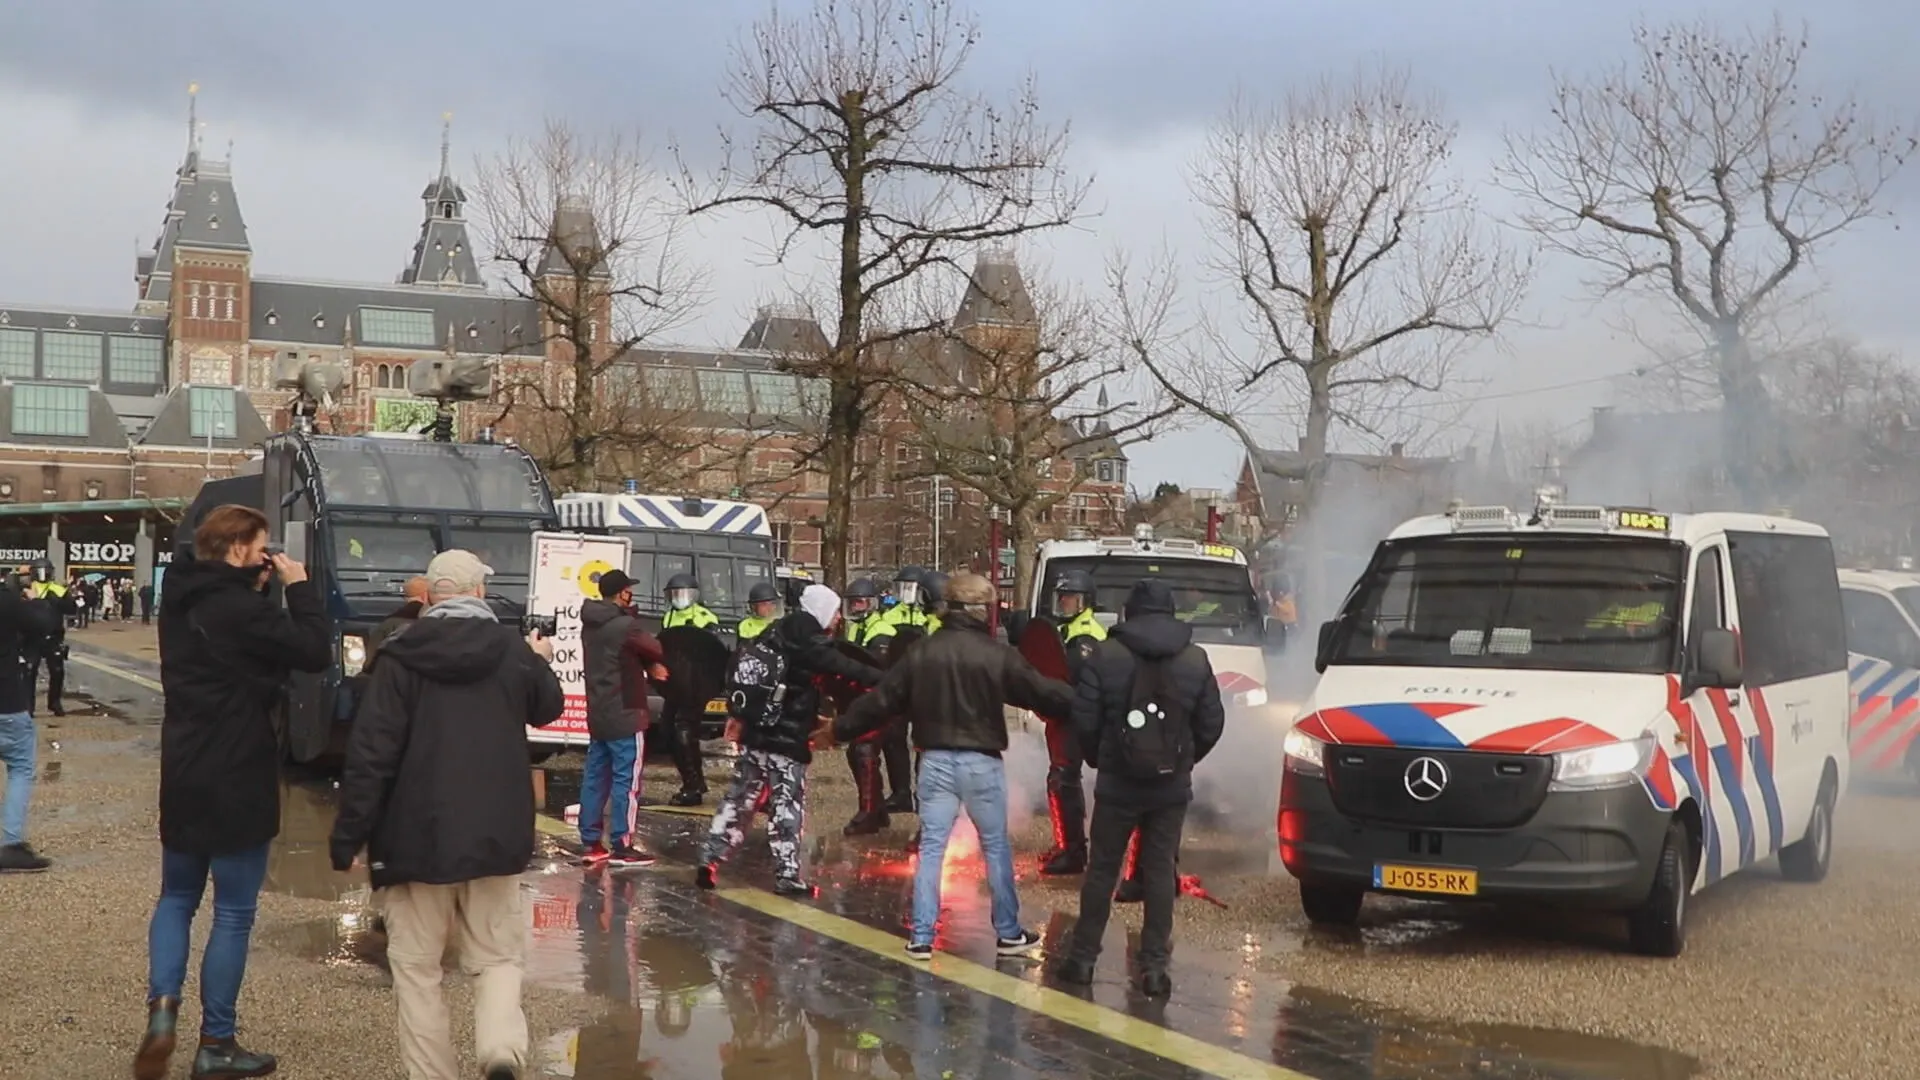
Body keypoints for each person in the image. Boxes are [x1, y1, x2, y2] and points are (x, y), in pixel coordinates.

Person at [329, 549, 565, 1080]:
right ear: (478, 592)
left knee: (417, 970)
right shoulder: (511, 651)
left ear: (430, 597)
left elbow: (370, 754)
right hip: (496, 834)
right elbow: (548, 708)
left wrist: (349, 836)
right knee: (497, 956)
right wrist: (540, 658)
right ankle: (500, 1051)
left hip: (414, 836)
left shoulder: (398, 656)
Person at [135, 505, 332, 1080]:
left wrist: (257, 586)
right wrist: (298, 587)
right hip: (240, 770)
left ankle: (163, 1009)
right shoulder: (244, 609)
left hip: (184, 767)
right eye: (263, 547)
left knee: (176, 898)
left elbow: (232, 644)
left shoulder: (179, 598)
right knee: (233, 912)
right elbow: (313, 650)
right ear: (242, 547)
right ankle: (216, 1041)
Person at [826, 573, 1070, 961]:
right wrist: (1087, 700)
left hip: (935, 761)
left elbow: (881, 700)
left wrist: (837, 729)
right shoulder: (996, 654)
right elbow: (1041, 692)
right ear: (980, 610)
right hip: (981, 763)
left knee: (932, 848)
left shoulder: (922, 653)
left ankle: (921, 937)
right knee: (995, 848)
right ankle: (1008, 934)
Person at [1051, 579, 1225, 997]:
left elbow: (1085, 720)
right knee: (1161, 869)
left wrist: (1102, 758)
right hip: (1170, 786)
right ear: (1170, 612)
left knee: (1102, 870)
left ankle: (1083, 961)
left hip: (1118, 784)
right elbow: (1211, 723)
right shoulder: (1196, 659)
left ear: (1129, 612)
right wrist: (1182, 760)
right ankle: (1154, 968)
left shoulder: (1105, 654)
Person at [696, 584, 881, 896]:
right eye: (835, 611)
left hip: (757, 732)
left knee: (739, 799)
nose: (838, 618)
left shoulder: (776, 631)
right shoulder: (809, 639)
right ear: (822, 611)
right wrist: (888, 680)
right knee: (787, 804)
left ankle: (710, 857)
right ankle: (787, 874)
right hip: (786, 739)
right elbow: (845, 667)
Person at [578, 568, 666, 869]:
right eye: (629, 590)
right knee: (626, 781)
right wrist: (650, 663)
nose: (632, 594)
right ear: (621, 594)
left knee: (595, 778)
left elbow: (622, 654)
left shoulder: (591, 624)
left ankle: (591, 842)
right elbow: (654, 647)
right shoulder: (625, 625)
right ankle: (622, 845)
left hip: (599, 714)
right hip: (626, 714)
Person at [847, 568, 941, 832]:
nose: (905, 594)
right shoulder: (889, 617)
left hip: (924, 686)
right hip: (898, 683)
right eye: (902, 588)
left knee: (924, 743)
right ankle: (900, 792)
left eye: (911, 588)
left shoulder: (930, 618)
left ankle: (923, 796)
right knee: (892, 738)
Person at [1037, 570, 1106, 876]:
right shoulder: (1068, 630)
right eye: (1062, 597)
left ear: (1084, 601)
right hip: (1063, 717)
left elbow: (1075, 681)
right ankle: (1065, 843)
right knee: (1060, 779)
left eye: (1070, 598)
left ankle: (1073, 851)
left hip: (1075, 718)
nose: (1063, 602)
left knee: (1064, 780)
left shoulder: (1085, 636)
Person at [0, 568, 56, 872]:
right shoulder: (6, 600)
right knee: (21, 765)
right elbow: (43, 624)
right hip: (6, 700)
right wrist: (35, 600)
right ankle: (11, 844)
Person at [26, 561, 76, 717]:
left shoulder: (58, 590)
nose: (43, 574)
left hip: (53, 636)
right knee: (29, 671)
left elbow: (71, 608)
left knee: (57, 671)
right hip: (32, 637)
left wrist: (66, 595)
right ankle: (28, 706)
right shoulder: (26, 590)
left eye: (45, 571)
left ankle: (54, 702)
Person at [366, 576, 430, 659]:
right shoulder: (434, 623)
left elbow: (372, 657)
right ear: (425, 595)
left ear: (406, 597)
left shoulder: (388, 624)